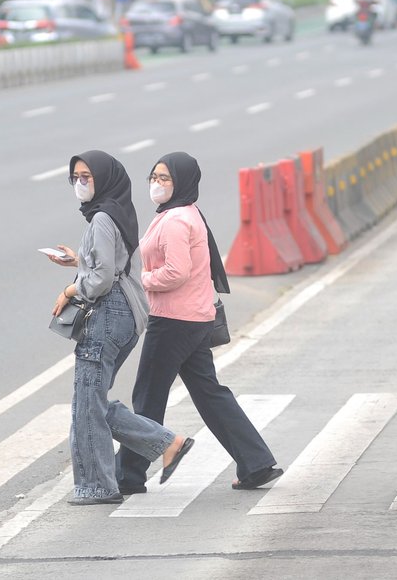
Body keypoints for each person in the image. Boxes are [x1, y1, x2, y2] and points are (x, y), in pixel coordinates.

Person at [116, 151, 283, 495]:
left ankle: (128, 476)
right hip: (193, 319)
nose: (157, 184)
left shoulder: (176, 219)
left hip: (174, 321)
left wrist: (142, 279)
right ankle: (257, 464)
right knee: (210, 394)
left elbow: (177, 272)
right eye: (154, 178)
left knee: (148, 396)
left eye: (165, 179)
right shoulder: (183, 213)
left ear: (182, 182)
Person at [47, 149, 194, 505]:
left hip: (108, 315)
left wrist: (71, 288)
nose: (80, 184)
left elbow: (100, 280)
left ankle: (99, 486)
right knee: (90, 400)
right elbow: (111, 264)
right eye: (75, 178)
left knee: (86, 404)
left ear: (104, 178)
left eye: (87, 177)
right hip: (128, 314)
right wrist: (78, 263)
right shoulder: (117, 211)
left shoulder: (101, 219)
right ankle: (166, 443)